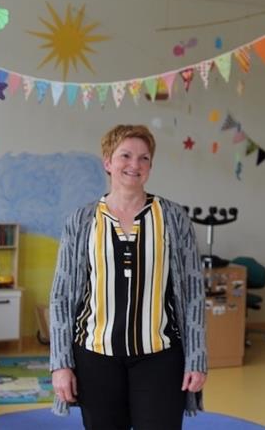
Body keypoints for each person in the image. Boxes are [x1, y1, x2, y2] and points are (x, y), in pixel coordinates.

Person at [50, 124, 207, 429]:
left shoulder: (173, 218)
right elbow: (60, 296)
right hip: (95, 357)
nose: (134, 165)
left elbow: (193, 294)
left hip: (160, 357)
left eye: (144, 158)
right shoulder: (81, 220)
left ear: (150, 166)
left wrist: (197, 359)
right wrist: (60, 364)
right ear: (107, 162)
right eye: (125, 155)